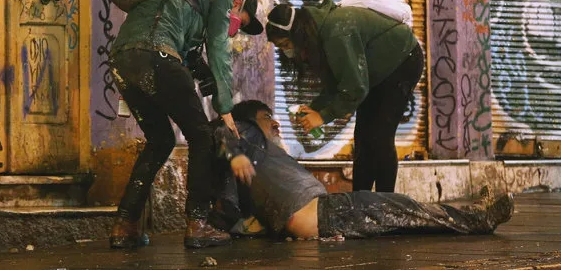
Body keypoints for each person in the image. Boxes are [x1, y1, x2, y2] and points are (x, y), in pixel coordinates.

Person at [211, 100, 514, 240]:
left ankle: (474, 213)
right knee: (407, 209)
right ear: (248, 123)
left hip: (321, 216)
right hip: (325, 212)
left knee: (407, 219)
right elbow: (220, 133)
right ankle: (479, 217)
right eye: (267, 117)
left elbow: (235, 214)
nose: (276, 123)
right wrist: (234, 153)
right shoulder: (245, 135)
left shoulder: (260, 161)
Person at [108, 0, 261, 249]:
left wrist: (210, 83)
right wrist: (225, 106)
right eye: (241, 22)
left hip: (123, 59)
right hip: (157, 56)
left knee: (160, 141)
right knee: (201, 136)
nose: (235, 29)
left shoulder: (186, 0)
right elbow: (218, 49)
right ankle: (198, 223)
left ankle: (125, 223)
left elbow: (191, 59)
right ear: (238, 3)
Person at [265, 0, 424, 192]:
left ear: (297, 34)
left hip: (402, 62)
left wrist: (322, 116)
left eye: (285, 44)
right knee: (364, 138)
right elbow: (337, 82)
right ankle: (359, 202)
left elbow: (355, 88)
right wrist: (316, 107)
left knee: (380, 136)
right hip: (375, 72)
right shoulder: (319, 33)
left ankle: (385, 203)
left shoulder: (335, 33)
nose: (286, 51)